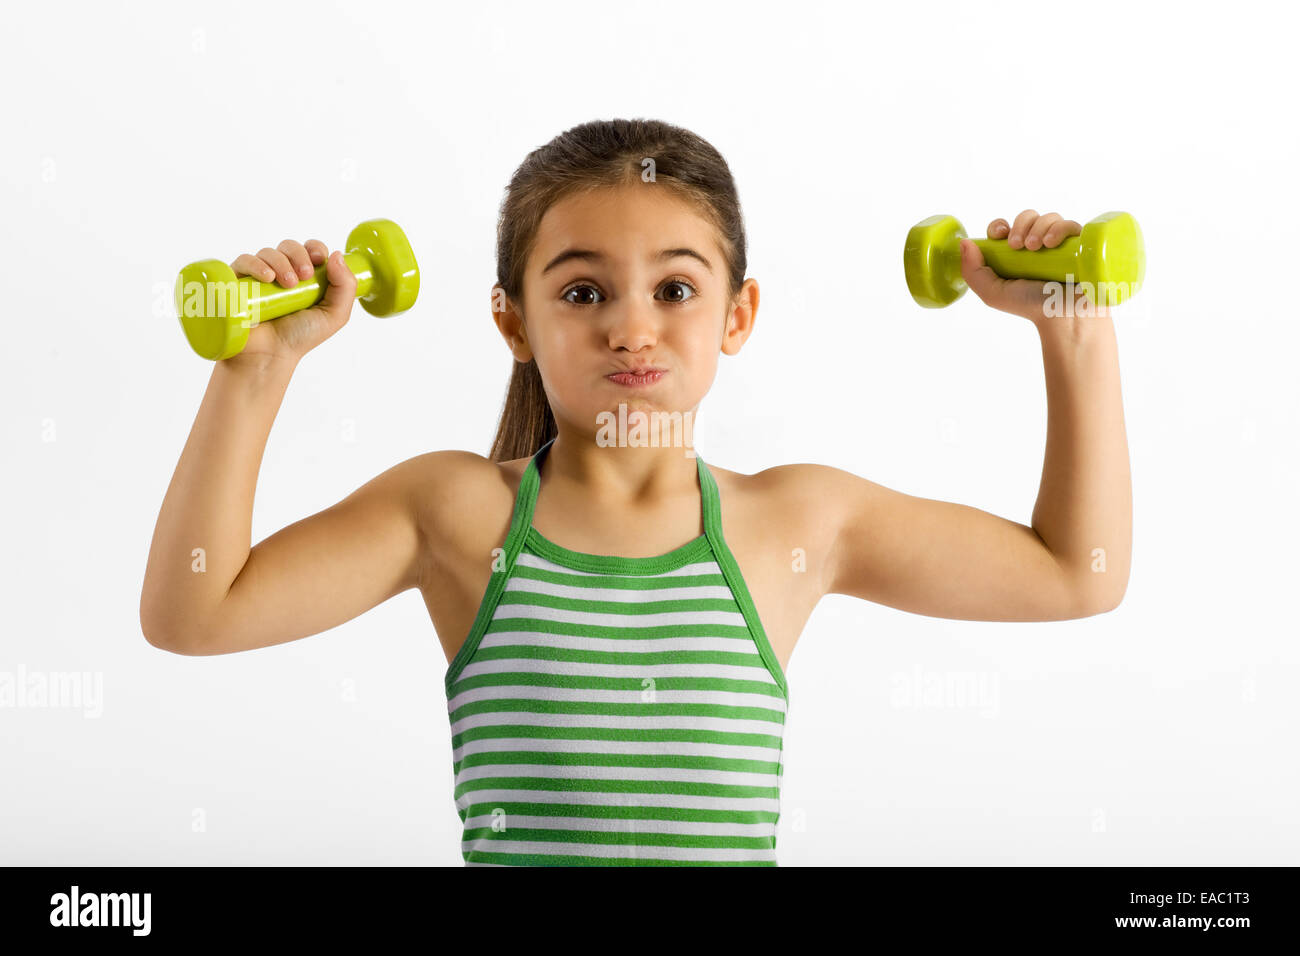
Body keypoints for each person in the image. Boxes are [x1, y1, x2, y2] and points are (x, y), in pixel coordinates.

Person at [140, 118, 1132, 865]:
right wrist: (254, 368)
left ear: (737, 313)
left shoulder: (796, 521)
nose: (630, 326)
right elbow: (195, 612)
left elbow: (1075, 574)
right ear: (512, 322)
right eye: (581, 291)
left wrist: (1073, 328)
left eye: (675, 287)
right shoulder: (454, 513)